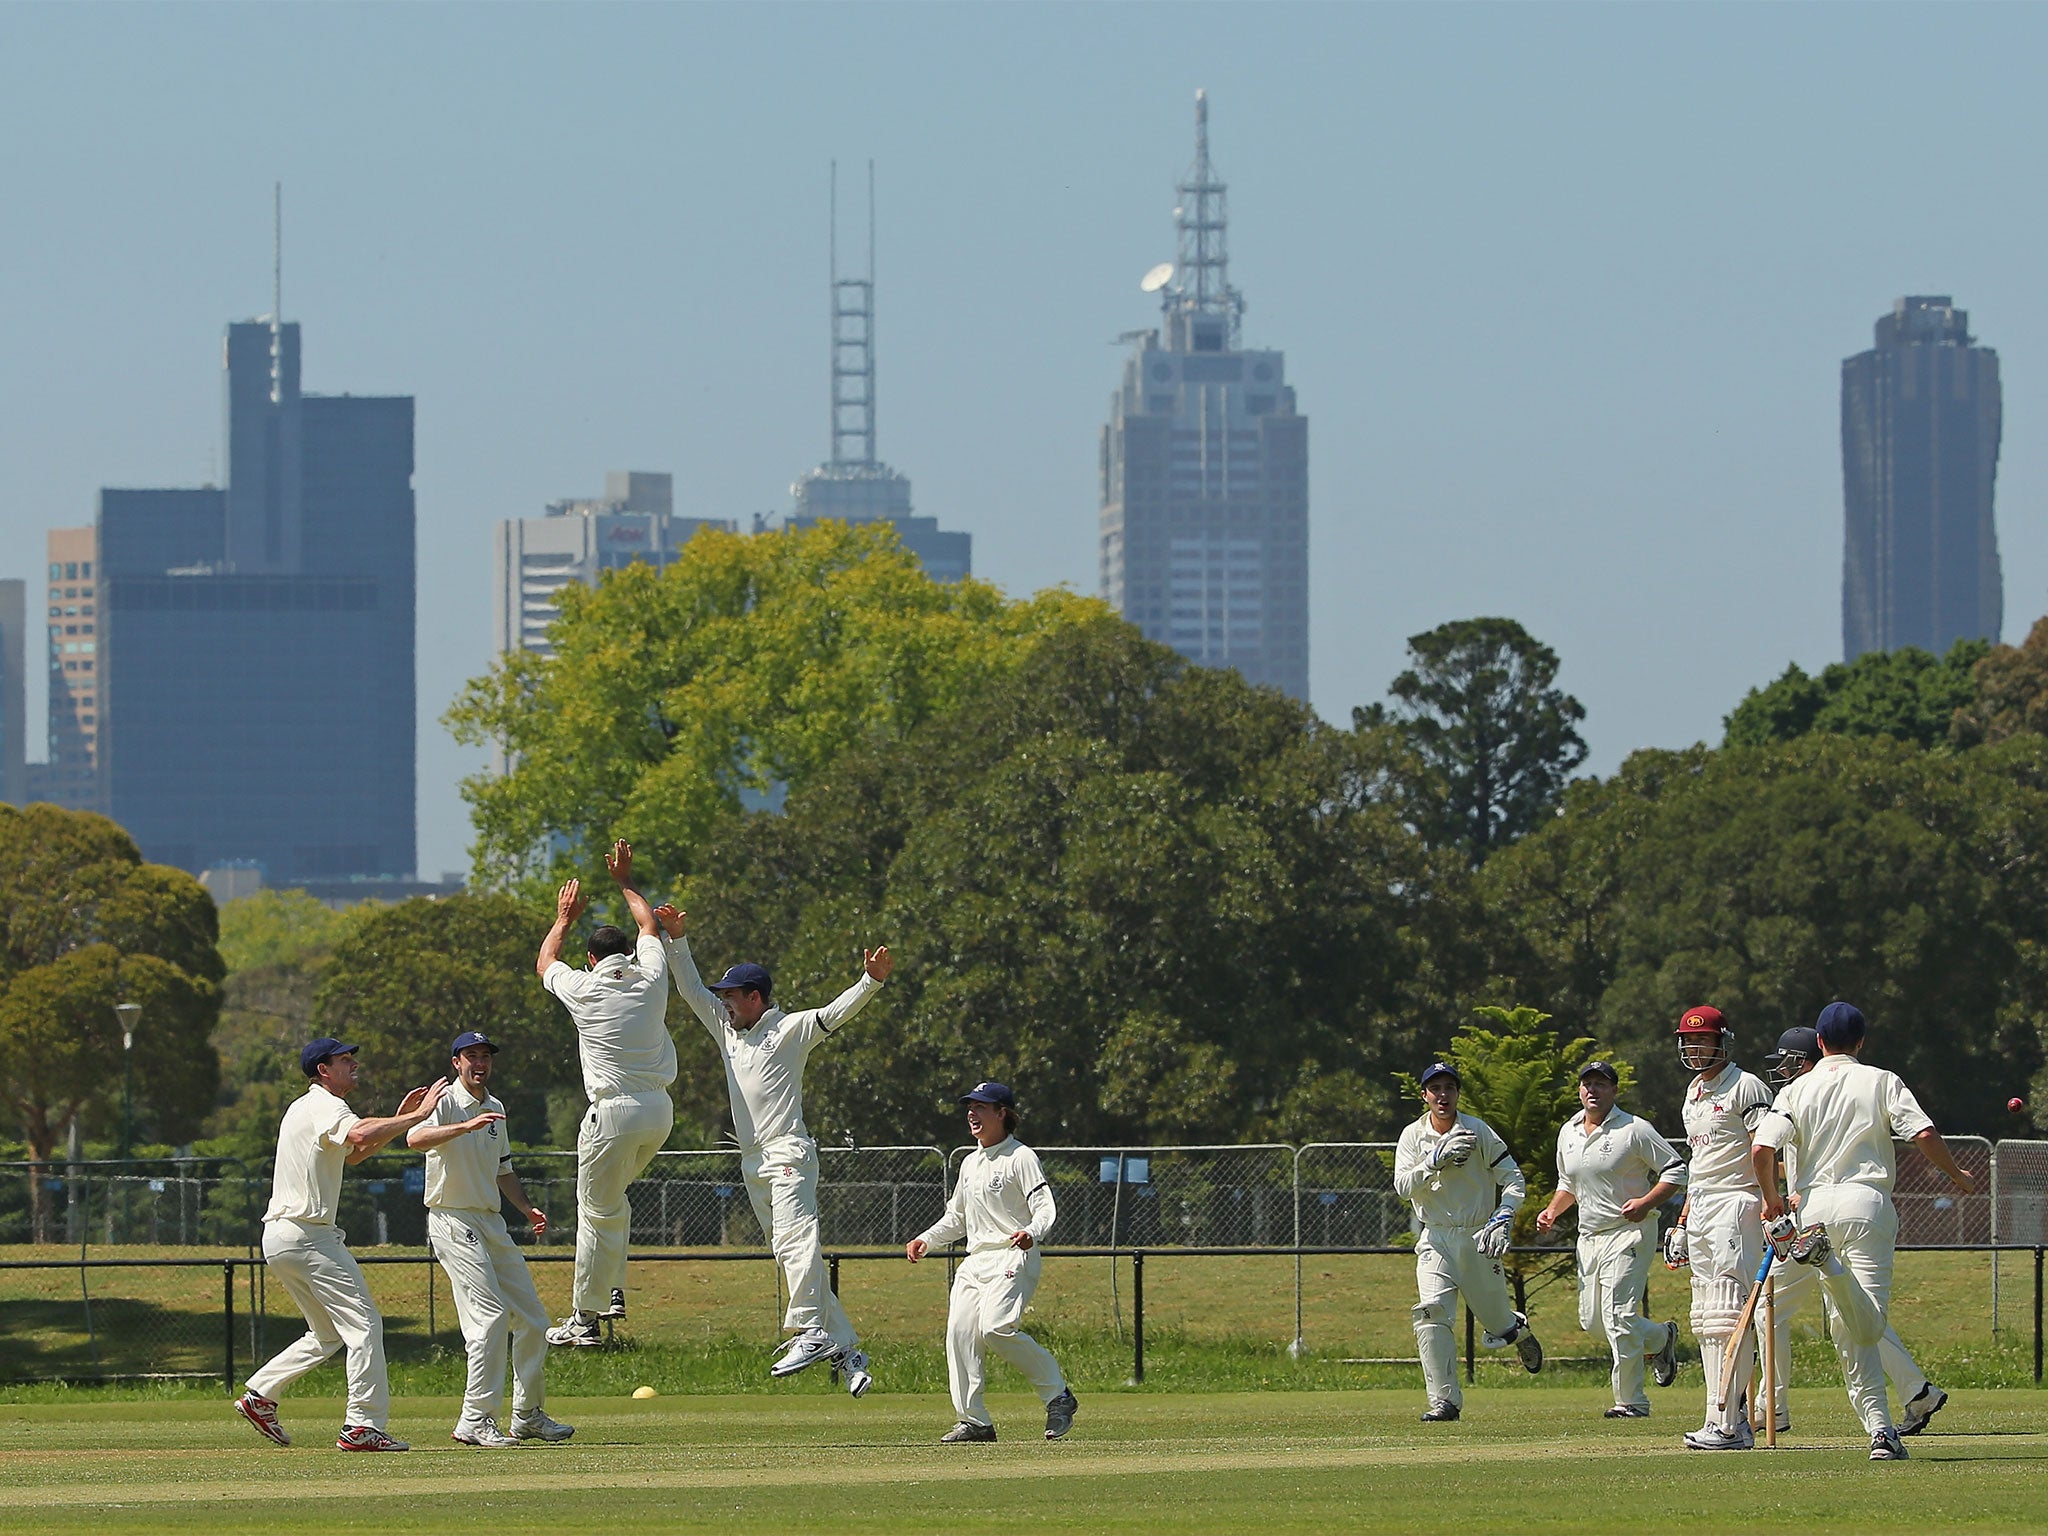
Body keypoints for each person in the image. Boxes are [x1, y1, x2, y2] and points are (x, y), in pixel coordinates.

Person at [655, 901, 891, 1396]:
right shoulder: (727, 1031)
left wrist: (870, 982)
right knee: (788, 1255)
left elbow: (833, 1014)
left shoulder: (790, 1028)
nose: (724, 1003)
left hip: (788, 1151)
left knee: (796, 1238)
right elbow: (690, 990)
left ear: (756, 997)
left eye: (732, 996)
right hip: (752, 1160)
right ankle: (848, 1351)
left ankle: (809, 1329)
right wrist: (676, 940)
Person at [1751, 1002, 1977, 1461]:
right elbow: (1925, 1134)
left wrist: (1773, 1199)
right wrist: (1957, 1176)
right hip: (1866, 1204)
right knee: (1866, 1327)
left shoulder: (1797, 1089)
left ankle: (1880, 1431)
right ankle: (1882, 1429)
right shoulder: (1881, 1080)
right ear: (1860, 1042)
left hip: (1812, 1210)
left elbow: (1761, 1147)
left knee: (1847, 1328)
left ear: (1818, 1043)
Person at [232, 1040, 445, 1451]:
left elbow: (355, 1154)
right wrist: (419, 1116)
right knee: (365, 1326)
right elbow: (360, 1131)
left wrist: (401, 1120)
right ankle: (362, 1426)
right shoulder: (326, 1105)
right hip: (309, 1234)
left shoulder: (303, 1107)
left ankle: (261, 1394)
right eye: (345, 1060)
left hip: (280, 1237)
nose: (354, 1065)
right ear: (323, 1070)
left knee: (328, 1332)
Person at [536, 840, 678, 1348]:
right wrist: (625, 881)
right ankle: (612, 1288)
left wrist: (564, 917)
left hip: (613, 1114)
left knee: (594, 1210)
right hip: (659, 1113)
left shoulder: (582, 986)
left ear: (592, 958)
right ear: (626, 955)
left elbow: (545, 960)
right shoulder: (651, 977)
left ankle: (584, 1318)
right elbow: (649, 926)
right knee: (612, 1202)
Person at [408, 1030, 574, 1448]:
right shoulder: (442, 1100)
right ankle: (474, 1419)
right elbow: (414, 1139)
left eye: (485, 1056)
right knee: (490, 1318)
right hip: (451, 1216)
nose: (479, 1063)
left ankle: (527, 1414)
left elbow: (503, 1170)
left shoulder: (495, 1107)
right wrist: (464, 1126)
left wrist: (527, 1209)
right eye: (471, 1056)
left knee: (534, 1320)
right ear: (456, 1062)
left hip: (491, 1221)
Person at [906, 1081, 1077, 1444]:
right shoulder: (969, 1163)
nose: (972, 1114)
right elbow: (957, 1218)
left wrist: (1033, 1231)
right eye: (970, 1107)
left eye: (981, 1107)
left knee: (995, 1327)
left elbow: (1044, 1206)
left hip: (1013, 1254)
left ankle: (1058, 1395)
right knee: (961, 1333)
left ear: (1002, 1113)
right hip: (976, 1260)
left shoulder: (1021, 1157)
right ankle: (975, 1422)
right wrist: (927, 1239)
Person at [1533, 1060, 1686, 1419]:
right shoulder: (1568, 1131)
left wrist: (1646, 1202)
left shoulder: (1634, 1129)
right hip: (1590, 1238)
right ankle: (1661, 1339)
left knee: (1619, 1315)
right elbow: (1568, 1183)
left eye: (1601, 1084)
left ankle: (1632, 1401)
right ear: (1579, 1090)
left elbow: (1676, 1169)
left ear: (1614, 1091)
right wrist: (1553, 1210)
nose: (1593, 1090)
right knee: (1593, 1322)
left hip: (1630, 1232)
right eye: (1587, 1084)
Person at [1392, 1060, 1543, 1422]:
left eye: (1450, 1088)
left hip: (1478, 1237)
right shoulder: (1413, 1136)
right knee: (1430, 1312)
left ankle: (1516, 1331)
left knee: (1496, 1324)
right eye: (1436, 1089)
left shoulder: (1478, 1132)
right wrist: (1434, 1160)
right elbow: (1402, 1188)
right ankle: (1444, 1401)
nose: (1443, 1095)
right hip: (1436, 1238)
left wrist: (1503, 1217)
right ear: (1424, 1095)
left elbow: (1514, 1181)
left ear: (1458, 1093)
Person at [1664, 1005, 1773, 1451]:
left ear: (1722, 1042)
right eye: (1689, 1041)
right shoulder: (1692, 1094)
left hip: (1737, 1205)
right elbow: (1699, 1165)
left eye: (1703, 1040)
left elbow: (1767, 1148)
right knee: (1706, 1319)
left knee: (1730, 1314)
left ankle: (1730, 1422)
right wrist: (1683, 1221)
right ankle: (1719, 1416)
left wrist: (1773, 1204)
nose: (1695, 1048)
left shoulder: (1745, 1087)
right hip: (1704, 1208)